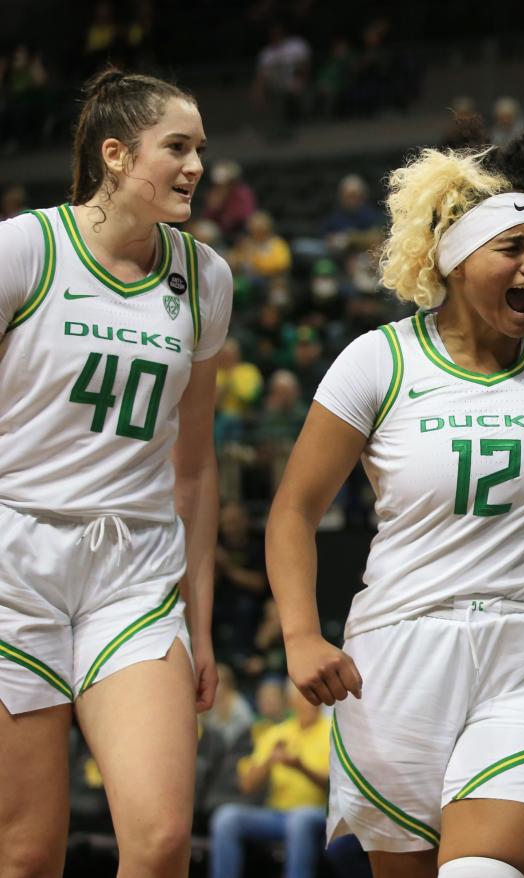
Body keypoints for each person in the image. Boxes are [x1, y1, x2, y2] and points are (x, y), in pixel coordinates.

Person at [265, 121, 524, 878]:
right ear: (452, 258)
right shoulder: (377, 361)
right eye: (511, 249)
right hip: (397, 658)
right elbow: (292, 512)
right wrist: (301, 636)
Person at [0, 68, 232, 875]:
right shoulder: (25, 248)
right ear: (115, 155)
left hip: (133, 570)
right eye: (178, 147)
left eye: (200, 147)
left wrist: (200, 624)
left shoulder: (205, 278)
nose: (198, 165)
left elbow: (195, 468)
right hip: (15, 563)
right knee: (27, 854)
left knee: (164, 836)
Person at [209, 680, 332, 878]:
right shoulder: (276, 733)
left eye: (315, 696)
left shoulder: (331, 730)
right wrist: (269, 763)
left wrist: (301, 767)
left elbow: (333, 785)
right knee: (226, 818)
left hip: (318, 813)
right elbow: (245, 785)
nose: (311, 701)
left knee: (299, 820)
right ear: (291, 702)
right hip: (276, 814)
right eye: (305, 696)